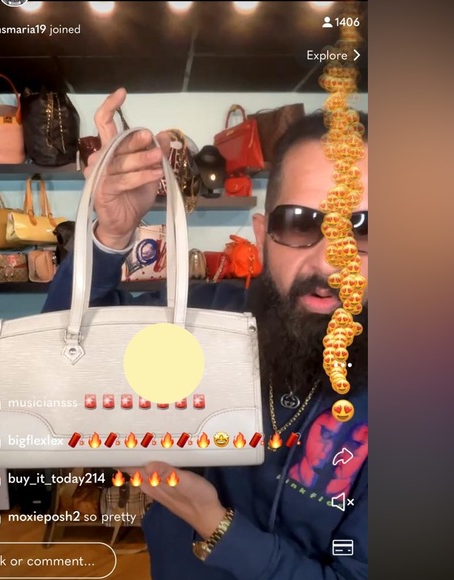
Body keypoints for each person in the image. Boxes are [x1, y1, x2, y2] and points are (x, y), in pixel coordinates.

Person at [43, 88, 368, 579]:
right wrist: (110, 235)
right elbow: (66, 353)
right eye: (301, 223)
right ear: (261, 235)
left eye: (361, 229)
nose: (329, 262)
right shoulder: (202, 317)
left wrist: (213, 524)